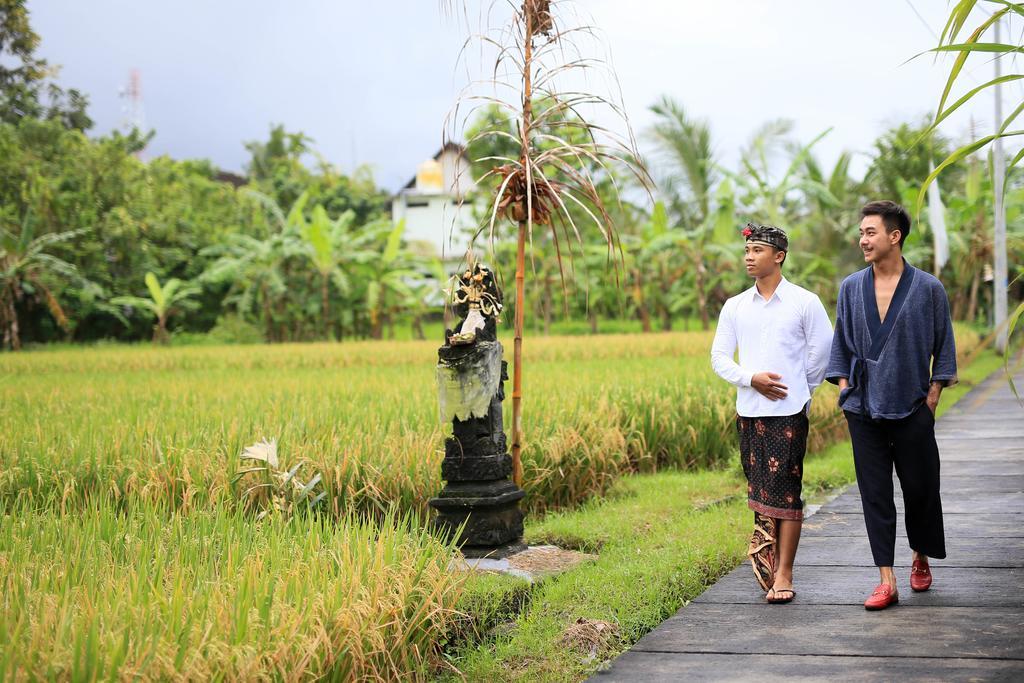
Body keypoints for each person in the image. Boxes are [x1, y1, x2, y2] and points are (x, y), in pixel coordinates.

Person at [826, 200, 957, 611]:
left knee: (920, 489)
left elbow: (945, 347)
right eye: (861, 232)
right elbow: (841, 344)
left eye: (870, 232)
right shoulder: (850, 287)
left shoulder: (929, 289)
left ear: (894, 236)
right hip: (863, 408)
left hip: (913, 406)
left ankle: (920, 554)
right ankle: (886, 578)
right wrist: (846, 388)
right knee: (875, 494)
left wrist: (932, 397)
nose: (862, 239)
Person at [711, 223, 833, 603]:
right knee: (760, 489)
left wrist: (800, 389)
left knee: (786, 492)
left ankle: (784, 573)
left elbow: (822, 353)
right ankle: (770, 558)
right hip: (748, 411)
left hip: (789, 411)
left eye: (757, 250)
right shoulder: (734, 306)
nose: (749, 257)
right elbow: (718, 358)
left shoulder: (804, 302)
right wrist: (751, 379)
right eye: (746, 251)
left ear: (778, 256)